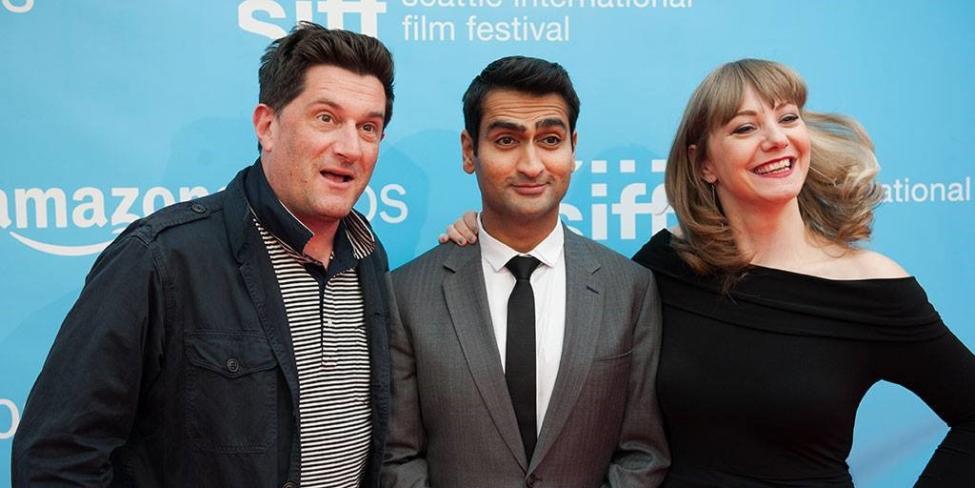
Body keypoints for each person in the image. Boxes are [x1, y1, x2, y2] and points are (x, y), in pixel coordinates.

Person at [443, 58, 975, 486]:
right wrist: (484, 235)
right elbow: (570, 312)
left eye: (788, 117)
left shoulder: (873, 287)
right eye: (745, 127)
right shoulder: (668, 263)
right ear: (704, 164)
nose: (776, 138)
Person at [13, 23, 396, 487]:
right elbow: (57, 460)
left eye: (368, 127)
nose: (349, 147)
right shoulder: (160, 259)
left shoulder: (368, 256)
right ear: (267, 125)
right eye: (326, 118)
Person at [382, 56, 670, 488]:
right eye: (506, 141)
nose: (531, 165)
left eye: (550, 140)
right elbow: (397, 458)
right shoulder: (407, 293)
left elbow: (643, 453)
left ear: (573, 148)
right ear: (468, 150)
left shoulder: (629, 288)